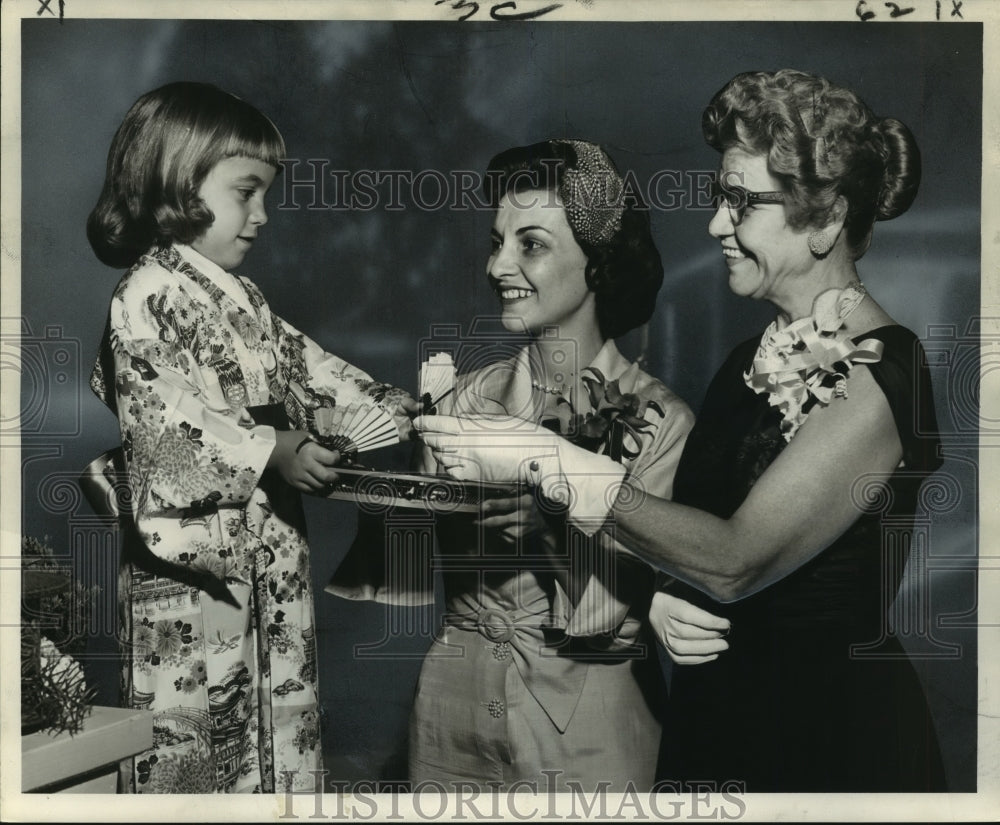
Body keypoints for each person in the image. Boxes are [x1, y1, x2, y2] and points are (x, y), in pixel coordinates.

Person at [417, 70, 947, 792]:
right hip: (717, 725)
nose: (715, 226)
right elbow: (687, 533)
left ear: (825, 219)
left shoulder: (887, 368)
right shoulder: (745, 361)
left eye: (741, 204)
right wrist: (663, 594)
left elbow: (736, 558)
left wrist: (545, 455)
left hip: (825, 738)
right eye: (718, 198)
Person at [329, 139, 727, 791]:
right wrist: (372, 447)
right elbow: (401, 552)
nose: (498, 265)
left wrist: (545, 517)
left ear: (598, 263)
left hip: (587, 711)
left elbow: (631, 605)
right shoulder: (465, 398)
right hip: (449, 704)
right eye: (496, 241)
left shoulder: (660, 420)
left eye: (531, 244)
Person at [87, 81, 413, 793]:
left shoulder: (244, 299)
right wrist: (271, 449)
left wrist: (394, 405)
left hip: (269, 555)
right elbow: (163, 420)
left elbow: (310, 371)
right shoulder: (146, 292)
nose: (263, 216)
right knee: (196, 743)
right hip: (191, 568)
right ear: (179, 180)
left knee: (277, 732)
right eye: (248, 192)